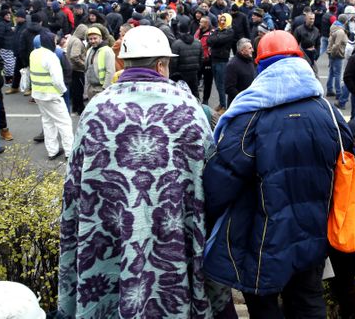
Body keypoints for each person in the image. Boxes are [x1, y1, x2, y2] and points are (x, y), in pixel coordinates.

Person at [58, 25, 235, 318]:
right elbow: (210, 183)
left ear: (123, 63)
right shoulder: (188, 109)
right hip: (173, 237)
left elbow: (74, 188)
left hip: (110, 236)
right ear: (162, 64)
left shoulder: (96, 109)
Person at [204, 30, 355, 318]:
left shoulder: (250, 114)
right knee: (308, 302)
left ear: (261, 66)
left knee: (264, 305)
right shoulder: (329, 112)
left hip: (261, 238)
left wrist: (207, 218)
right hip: (315, 234)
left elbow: (220, 179)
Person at [29, 31, 73, 160]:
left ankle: (52, 151)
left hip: (38, 94)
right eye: (54, 41)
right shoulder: (51, 56)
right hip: (52, 95)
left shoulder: (33, 54)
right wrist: (63, 90)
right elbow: (57, 80)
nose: (56, 44)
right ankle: (69, 152)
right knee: (64, 123)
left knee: (48, 123)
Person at [207, 13, 234, 112]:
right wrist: (215, 36)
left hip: (222, 60)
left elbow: (216, 40)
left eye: (224, 20)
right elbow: (209, 41)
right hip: (214, 59)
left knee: (221, 84)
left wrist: (215, 36)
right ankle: (221, 103)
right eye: (221, 20)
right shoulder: (218, 30)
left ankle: (224, 106)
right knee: (218, 84)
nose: (222, 22)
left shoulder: (229, 32)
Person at [170, 19, 203, 98]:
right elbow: (201, 58)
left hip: (180, 73)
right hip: (194, 72)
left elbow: (173, 61)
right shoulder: (197, 43)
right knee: (194, 91)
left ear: (179, 30)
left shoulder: (176, 44)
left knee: (181, 93)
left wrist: (173, 73)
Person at [84, 27, 115, 100]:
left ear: (100, 38)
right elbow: (87, 70)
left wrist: (105, 89)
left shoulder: (107, 51)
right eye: (90, 39)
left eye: (95, 38)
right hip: (91, 88)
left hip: (101, 88)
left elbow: (110, 71)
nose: (93, 41)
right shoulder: (90, 50)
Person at [224, 38, 255, 107]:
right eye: (250, 48)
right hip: (238, 105)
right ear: (242, 51)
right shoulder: (232, 65)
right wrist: (243, 98)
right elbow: (229, 88)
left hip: (250, 101)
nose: (252, 50)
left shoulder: (249, 60)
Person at [65, 23, 87, 115]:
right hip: (77, 70)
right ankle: (80, 108)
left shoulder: (72, 39)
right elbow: (75, 56)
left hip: (72, 69)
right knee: (79, 90)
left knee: (74, 90)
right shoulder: (77, 41)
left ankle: (75, 108)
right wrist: (84, 65)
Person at [326, 14, 348, 98]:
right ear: (345, 21)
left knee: (331, 72)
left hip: (332, 53)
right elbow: (337, 44)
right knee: (338, 74)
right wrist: (333, 54)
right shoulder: (341, 31)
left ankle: (329, 89)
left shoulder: (334, 26)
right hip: (337, 54)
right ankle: (339, 93)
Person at [195, 15, 214, 104]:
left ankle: (205, 100)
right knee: (196, 79)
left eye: (202, 22)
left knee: (208, 81)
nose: (200, 23)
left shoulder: (211, 33)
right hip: (198, 59)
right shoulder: (199, 31)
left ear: (206, 24)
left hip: (207, 60)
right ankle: (196, 98)